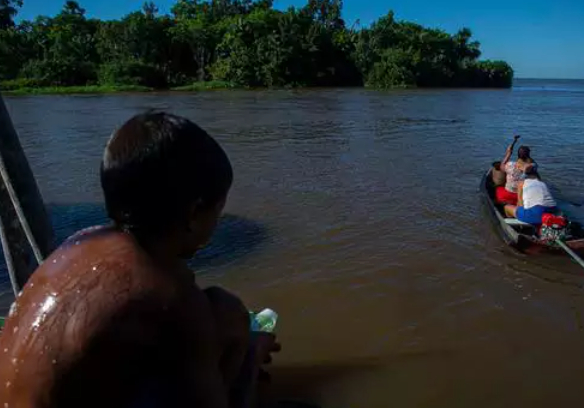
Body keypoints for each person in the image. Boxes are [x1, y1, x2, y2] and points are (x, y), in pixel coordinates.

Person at [0, 111, 279, 408]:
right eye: (217, 211)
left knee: (225, 313)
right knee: (228, 312)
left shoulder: (81, 242)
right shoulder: (170, 294)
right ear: (195, 214)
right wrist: (252, 356)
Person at [495, 136, 536, 205]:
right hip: (523, 196)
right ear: (528, 155)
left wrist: (508, 153)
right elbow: (533, 163)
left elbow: (502, 166)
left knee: (498, 189)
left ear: (518, 155)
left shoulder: (510, 165)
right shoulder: (532, 167)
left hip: (509, 194)